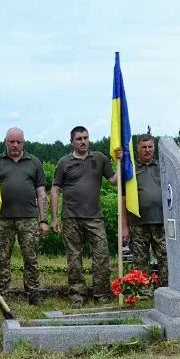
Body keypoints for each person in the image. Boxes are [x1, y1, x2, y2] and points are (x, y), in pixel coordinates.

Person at [51, 126, 118, 306]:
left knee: (102, 254)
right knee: (74, 257)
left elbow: (113, 181)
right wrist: (55, 218)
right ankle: (77, 294)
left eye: (86, 138)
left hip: (95, 217)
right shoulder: (64, 162)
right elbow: (55, 189)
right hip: (71, 217)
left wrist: (123, 162)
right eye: (79, 138)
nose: (83, 141)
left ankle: (102, 294)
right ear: (72, 141)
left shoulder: (100, 158)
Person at [0, 127, 48, 306]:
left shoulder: (34, 162)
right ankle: (1, 294)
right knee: (2, 258)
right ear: (5, 141)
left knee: (30, 258)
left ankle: (34, 293)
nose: (15, 145)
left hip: (29, 218)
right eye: (11, 141)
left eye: (18, 142)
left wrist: (43, 219)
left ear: (24, 142)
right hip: (2, 218)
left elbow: (41, 193)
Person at [119, 133, 167, 287]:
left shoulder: (163, 167)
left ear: (154, 148)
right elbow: (124, 198)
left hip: (161, 221)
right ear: (137, 149)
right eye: (144, 147)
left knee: (165, 257)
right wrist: (124, 226)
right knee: (140, 259)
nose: (147, 150)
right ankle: (143, 291)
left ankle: (166, 289)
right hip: (138, 223)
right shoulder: (130, 169)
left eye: (150, 147)